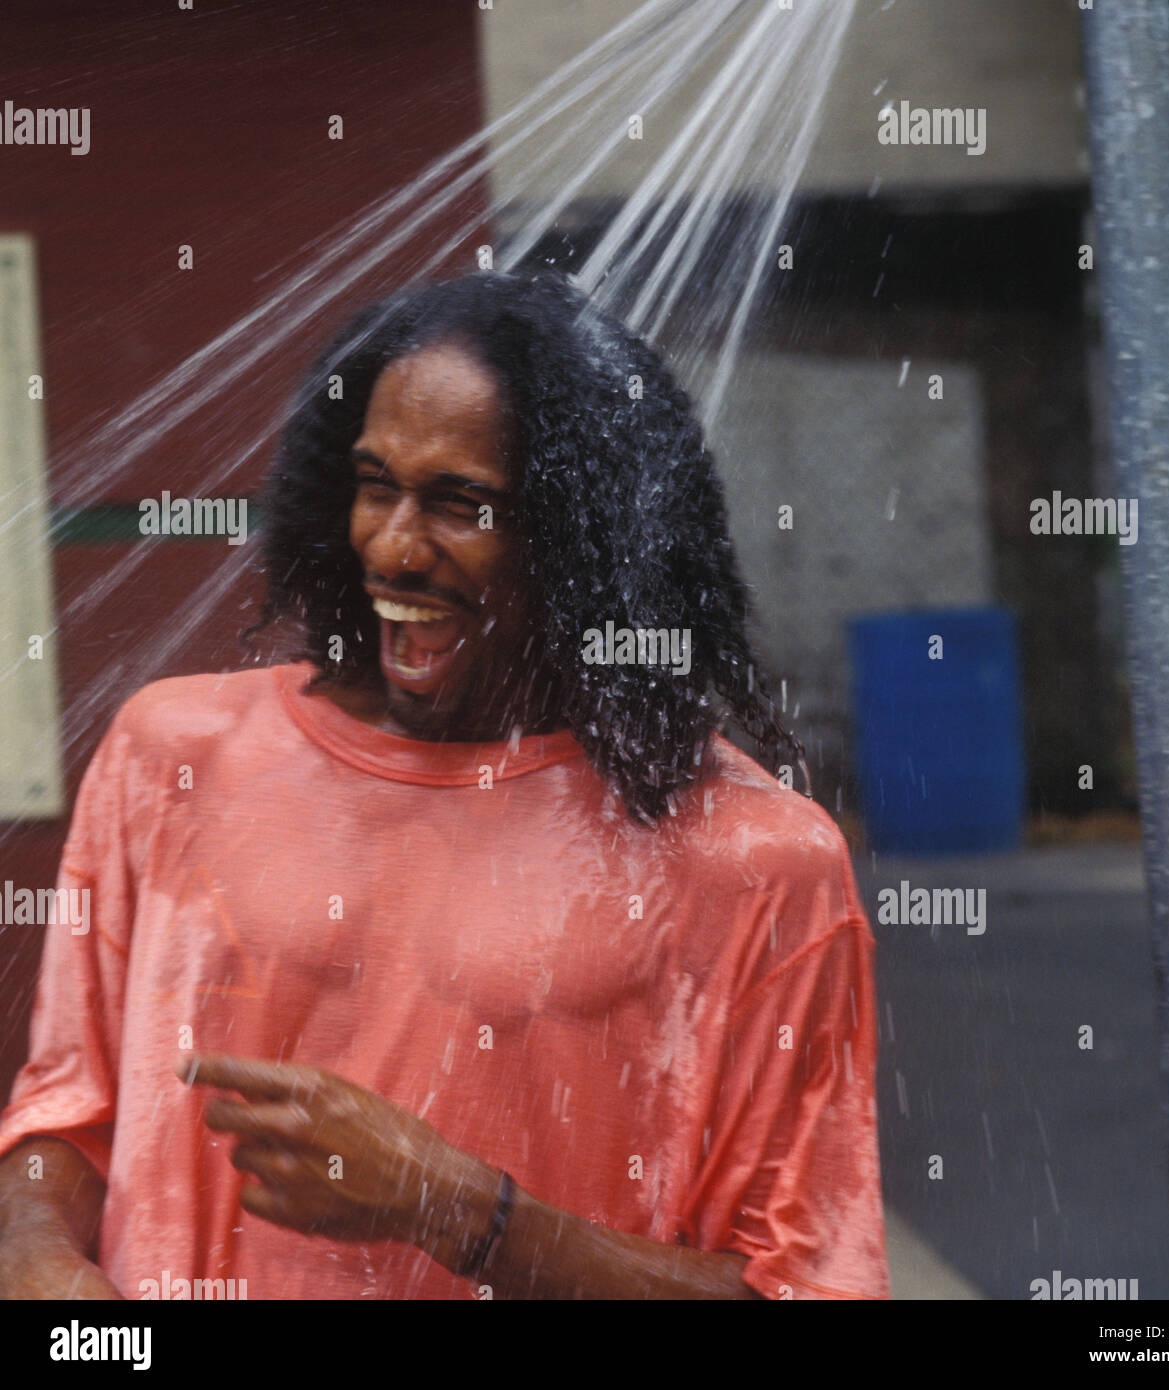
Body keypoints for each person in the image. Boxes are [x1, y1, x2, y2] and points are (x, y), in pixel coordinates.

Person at [0, 269, 888, 1300]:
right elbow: (61, 1121)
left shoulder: (753, 859)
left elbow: (800, 1289)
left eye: (461, 504)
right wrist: (35, 1260)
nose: (391, 545)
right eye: (376, 485)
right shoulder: (173, 754)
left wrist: (463, 1213)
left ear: (588, 542)